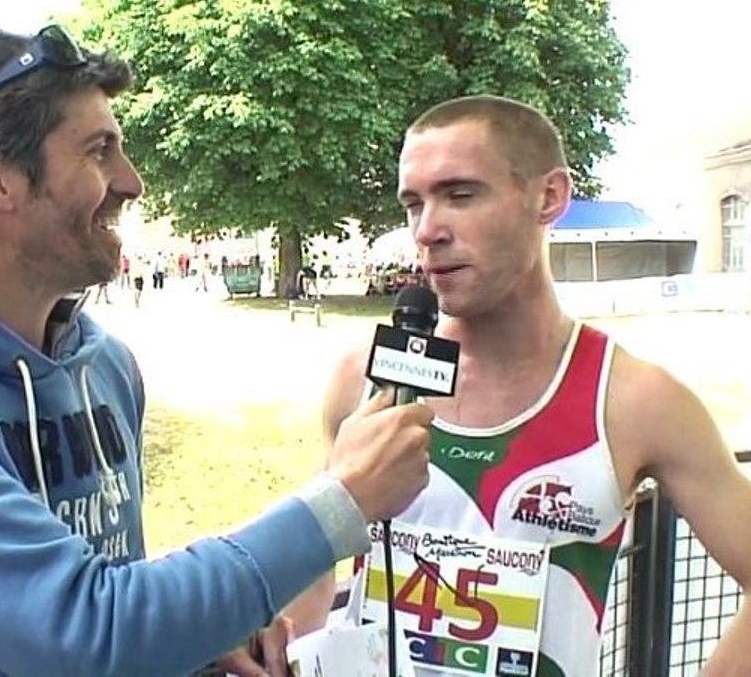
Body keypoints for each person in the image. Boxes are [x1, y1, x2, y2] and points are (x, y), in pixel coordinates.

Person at [0, 24, 436, 677]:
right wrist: (343, 500)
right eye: (100, 152)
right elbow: (88, 632)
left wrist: (197, 640)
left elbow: (104, 602)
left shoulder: (104, 365)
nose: (132, 182)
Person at [289, 95, 751, 676]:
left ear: (549, 197)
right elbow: (318, 561)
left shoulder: (637, 401)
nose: (428, 230)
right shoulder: (362, 379)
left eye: (460, 195)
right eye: (413, 204)